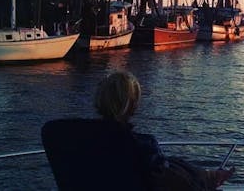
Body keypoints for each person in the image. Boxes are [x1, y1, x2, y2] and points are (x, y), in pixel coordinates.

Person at [95, 71, 234, 190]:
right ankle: (209, 178)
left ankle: (208, 176)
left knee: (171, 162)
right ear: (132, 106)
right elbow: (173, 182)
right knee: (168, 168)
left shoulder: (78, 140)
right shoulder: (142, 146)